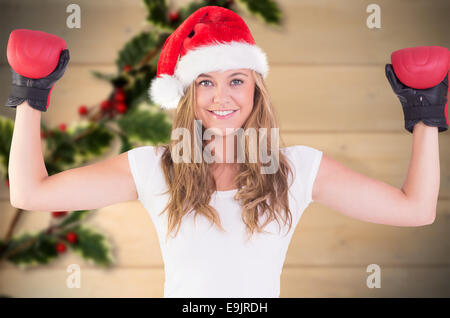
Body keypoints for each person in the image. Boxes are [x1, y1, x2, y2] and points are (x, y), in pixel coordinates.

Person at [5, 6, 447, 298]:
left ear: (256, 88)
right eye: (205, 81)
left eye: (236, 79)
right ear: (189, 92)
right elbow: (31, 194)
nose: (221, 97)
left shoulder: (297, 169)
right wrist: (31, 95)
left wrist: (424, 112)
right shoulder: (154, 167)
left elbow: (416, 210)